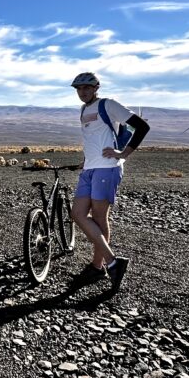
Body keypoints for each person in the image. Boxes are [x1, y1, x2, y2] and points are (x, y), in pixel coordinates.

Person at [69, 72, 150, 295]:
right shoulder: (84, 110)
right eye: (78, 89)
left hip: (108, 168)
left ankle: (98, 266)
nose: (82, 92)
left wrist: (124, 153)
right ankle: (112, 261)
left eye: (87, 88)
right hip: (90, 168)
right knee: (77, 213)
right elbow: (93, 138)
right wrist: (85, 161)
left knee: (98, 217)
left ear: (96, 87)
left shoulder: (108, 105)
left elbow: (141, 127)